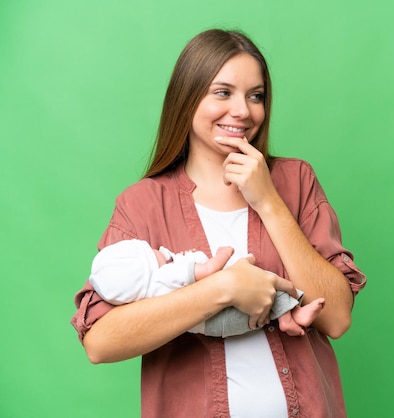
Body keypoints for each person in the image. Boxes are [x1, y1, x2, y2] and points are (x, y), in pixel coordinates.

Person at [71, 28, 366, 418]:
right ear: (188, 98)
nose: (243, 111)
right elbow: (101, 342)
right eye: (223, 92)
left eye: (255, 95)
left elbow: (337, 317)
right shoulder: (141, 204)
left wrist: (269, 202)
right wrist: (224, 288)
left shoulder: (295, 182)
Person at [89, 238, 325, 337]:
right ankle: (291, 317)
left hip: (210, 329)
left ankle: (288, 318)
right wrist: (224, 254)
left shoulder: (148, 297)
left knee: (261, 293)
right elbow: (208, 271)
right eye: (152, 251)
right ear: (147, 268)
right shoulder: (166, 275)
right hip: (220, 315)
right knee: (264, 280)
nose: (157, 248)